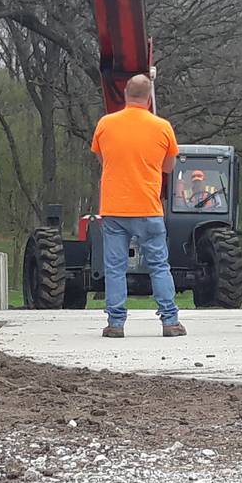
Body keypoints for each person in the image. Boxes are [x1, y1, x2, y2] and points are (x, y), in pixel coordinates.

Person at [90, 73, 186, 338]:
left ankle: (116, 324)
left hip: (114, 209)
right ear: (148, 98)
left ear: (125, 94)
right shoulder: (163, 127)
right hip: (148, 208)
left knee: (115, 267)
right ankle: (170, 322)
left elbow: (102, 158)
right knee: (159, 266)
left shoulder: (105, 124)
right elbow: (169, 167)